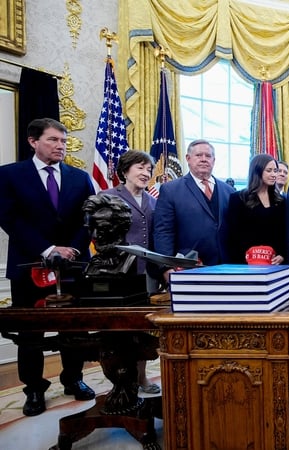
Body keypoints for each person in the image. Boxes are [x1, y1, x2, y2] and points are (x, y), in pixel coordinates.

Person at [0, 118, 96, 416]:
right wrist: (48, 248)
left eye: (64, 141)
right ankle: (34, 390)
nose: (60, 146)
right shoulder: (10, 175)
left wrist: (73, 249)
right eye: (54, 140)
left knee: (74, 330)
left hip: (73, 265)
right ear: (33, 141)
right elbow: (9, 218)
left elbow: (89, 218)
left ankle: (74, 379)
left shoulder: (79, 177)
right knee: (31, 334)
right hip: (29, 265)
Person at [99, 150, 161, 394]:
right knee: (118, 331)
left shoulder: (154, 201)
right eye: (140, 168)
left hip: (147, 275)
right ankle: (120, 382)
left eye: (149, 169)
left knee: (141, 330)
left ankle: (141, 378)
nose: (146, 173)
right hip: (117, 276)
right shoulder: (107, 197)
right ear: (125, 171)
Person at [153, 139, 236, 281]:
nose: (204, 159)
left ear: (214, 160)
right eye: (199, 155)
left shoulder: (229, 191)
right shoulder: (171, 190)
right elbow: (163, 231)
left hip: (226, 268)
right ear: (188, 159)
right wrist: (166, 267)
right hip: (188, 268)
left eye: (208, 156)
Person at [225, 154, 287, 264]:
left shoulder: (281, 200)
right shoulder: (238, 198)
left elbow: (284, 232)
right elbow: (232, 235)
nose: (274, 175)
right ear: (257, 171)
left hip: (275, 263)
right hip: (245, 263)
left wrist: (282, 254)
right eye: (269, 170)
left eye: (275, 170)